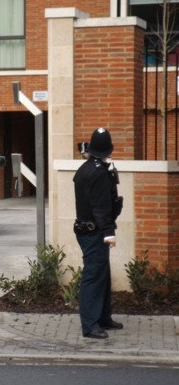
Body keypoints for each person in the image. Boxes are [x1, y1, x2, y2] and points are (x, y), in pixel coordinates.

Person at [73, 127, 124, 339]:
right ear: (108, 149)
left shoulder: (86, 168)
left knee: (101, 273)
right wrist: (109, 232)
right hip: (94, 231)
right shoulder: (99, 173)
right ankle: (90, 325)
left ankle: (103, 317)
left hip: (87, 229)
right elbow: (101, 207)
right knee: (94, 276)